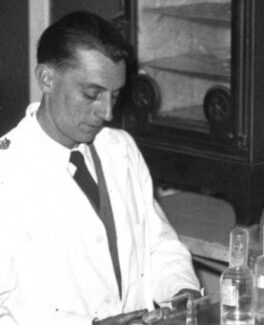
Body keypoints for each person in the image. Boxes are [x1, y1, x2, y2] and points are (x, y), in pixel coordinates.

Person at [0, 11, 200, 325]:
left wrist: (181, 290)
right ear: (46, 79)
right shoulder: (7, 173)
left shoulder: (120, 149)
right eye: (92, 94)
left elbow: (158, 244)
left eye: (115, 96)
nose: (107, 112)